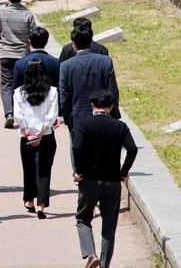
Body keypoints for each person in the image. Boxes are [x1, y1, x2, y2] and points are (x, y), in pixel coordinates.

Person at [73, 89, 138, 268]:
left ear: (92, 105)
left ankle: (90, 253)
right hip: (112, 181)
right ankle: (104, 264)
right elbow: (132, 149)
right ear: (111, 106)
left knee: (83, 219)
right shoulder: (120, 126)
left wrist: (79, 171)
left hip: (89, 180)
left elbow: (77, 147)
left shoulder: (82, 123)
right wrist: (123, 172)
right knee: (109, 226)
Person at [60, 23, 121, 175]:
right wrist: (113, 111)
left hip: (78, 115)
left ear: (73, 45)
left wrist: (66, 116)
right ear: (91, 41)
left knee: (78, 147)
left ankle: (80, 175)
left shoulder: (66, 66)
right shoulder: (105, 61)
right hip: (103, 113)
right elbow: (112, 89)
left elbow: (64, 95)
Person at [13, 59, 59, 219]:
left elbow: (18, 116)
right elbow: (52, 115)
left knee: (29, 168)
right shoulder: (52, 91)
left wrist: (29, 134)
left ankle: (29, 200)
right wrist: (41, 133)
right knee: (45, 170)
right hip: (46, 136)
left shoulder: (19, 92)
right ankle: (41, 205)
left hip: (26, 137)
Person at [0, 0, 37, 128]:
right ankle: (23, 113)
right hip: (23, 55)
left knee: (6, 84)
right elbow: (34, 35)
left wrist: (0, 46)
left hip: (6, 54)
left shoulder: (0, 13)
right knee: (23, 84)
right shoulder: (28, 14)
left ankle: (9, 114)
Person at [11, 26, 59, 91]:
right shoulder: (56, 63)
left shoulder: (19, 64)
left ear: (29, 42)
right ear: (46, 42)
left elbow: (15, 89)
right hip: (51, 100)